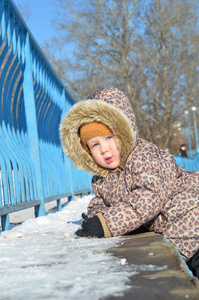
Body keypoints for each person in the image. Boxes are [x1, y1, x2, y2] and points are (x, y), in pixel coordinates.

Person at [60, 87, 199, 278]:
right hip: (176, 237)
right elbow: (100, 203)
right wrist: (96, 218)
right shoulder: (102, 178)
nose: (104, 150)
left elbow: (148, 197)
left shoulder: (144, 155)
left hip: (192, 224)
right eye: (95, 144)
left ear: (125, 131)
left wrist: (107, 223)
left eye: (109, 137)